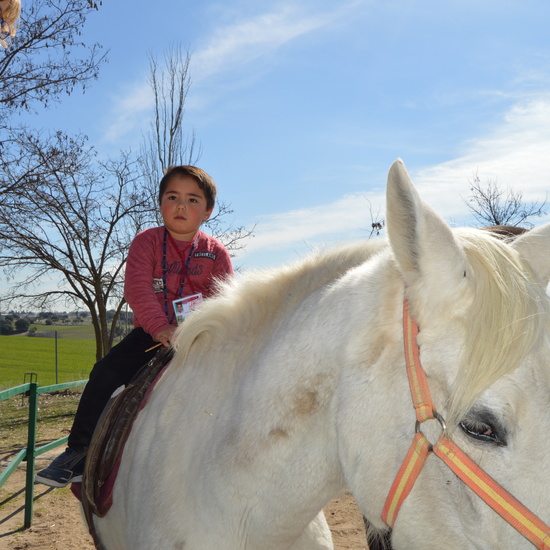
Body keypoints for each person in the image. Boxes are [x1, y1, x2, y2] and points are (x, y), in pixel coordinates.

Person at [35, 165, 234, 487]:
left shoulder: (216, 253)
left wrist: (203, 331)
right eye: (173, 197)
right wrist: (160, 328)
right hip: (152, 335)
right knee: (105, 372)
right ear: (160, 204)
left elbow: (224, 299)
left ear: (208, 211)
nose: (182, 206)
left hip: (200, 337)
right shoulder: (148, 241)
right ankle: (78, 453)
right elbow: (138, 289)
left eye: (193, 200)